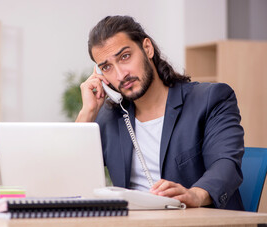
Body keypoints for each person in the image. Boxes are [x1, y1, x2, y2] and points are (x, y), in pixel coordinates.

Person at [76, 15, 244, 210]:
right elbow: (69, 175)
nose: (121, 75)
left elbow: (226, 164)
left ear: (147, 48)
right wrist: (87, 113)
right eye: (107, 67)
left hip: (197, 225)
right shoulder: (110, 117)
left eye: (125, 56)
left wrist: (196, 194)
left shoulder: (210, 100)